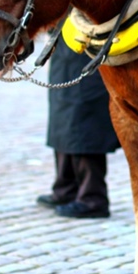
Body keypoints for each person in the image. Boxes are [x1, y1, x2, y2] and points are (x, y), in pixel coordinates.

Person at [37, 34, 120, 219]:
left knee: (85, 127)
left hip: (88, 52)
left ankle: (93, 198)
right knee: (62, 125)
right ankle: (66, 189)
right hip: (64, 52)